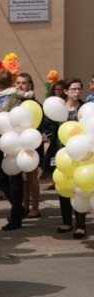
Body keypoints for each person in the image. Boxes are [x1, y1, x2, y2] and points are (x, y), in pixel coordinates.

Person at [0, 69, 31, 231]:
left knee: (7, 177)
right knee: (11, 178)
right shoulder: (10, 93)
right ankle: (17, 210)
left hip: (6, 137)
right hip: (10, 136)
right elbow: (30, 97)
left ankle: (16, 214)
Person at [53, 78, 87, 239]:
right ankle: (66, 222)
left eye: (79, 89)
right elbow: (52, 128)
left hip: (79, 154)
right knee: (63, 186)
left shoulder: (84, 109)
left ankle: (80, 225)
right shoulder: (59, 109)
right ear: (66, 91)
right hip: (62, 153)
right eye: (73, 89)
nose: (77, 91)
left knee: (78, 189)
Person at [15, 73, 43, 219]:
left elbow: (42, 124)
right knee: (23, 177)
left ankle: (35, 207)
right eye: (18, 83)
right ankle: (24, 206)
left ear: (30, 85)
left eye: (24, 83)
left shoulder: (35, 103)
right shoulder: (16, 102)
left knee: (32, 177)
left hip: (32, 143)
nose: (20, 86)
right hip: (19, 142)